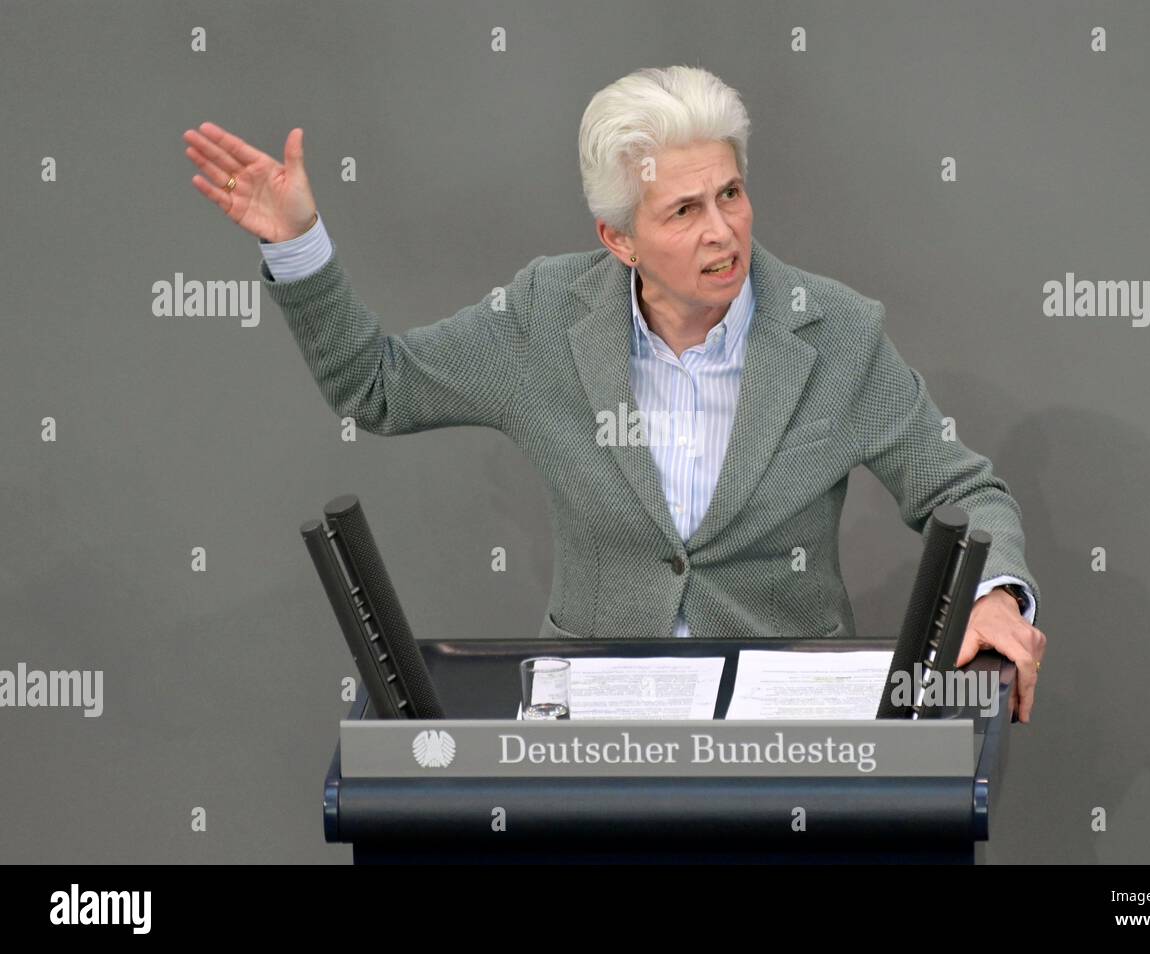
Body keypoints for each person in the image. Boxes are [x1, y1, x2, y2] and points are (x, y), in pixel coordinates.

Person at [183, 65, 1046, 721]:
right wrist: (299, 247)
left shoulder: (836, 331)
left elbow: (963, 489)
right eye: (682, 212)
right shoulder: (543, 318)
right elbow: (374, 386)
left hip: (785, 731)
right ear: (619, 238)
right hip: (598, 723)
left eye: (732, 194)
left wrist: (999, 596)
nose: (722, 231)